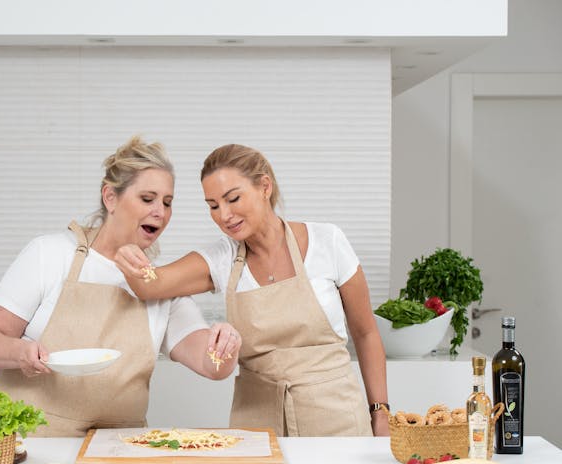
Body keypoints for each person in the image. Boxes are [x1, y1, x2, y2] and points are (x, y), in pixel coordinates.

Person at [0, 136, 242, 437]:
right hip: (31, 442)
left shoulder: (159, 283)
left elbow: (211, 364)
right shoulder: (49, 254)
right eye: (147, 199)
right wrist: (20, 352)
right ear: (110, 197)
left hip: (116, 450)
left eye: (167, 202)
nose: (160, 213)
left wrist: (225, 344)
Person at [114, 144, 389, 437]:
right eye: (213, 205)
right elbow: (150, 283)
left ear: (264, 186)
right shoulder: (223, 258)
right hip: (258, 424)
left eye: (233, 198)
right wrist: (128, 243)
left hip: (337, 418)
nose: (225, 215)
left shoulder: (327, 241)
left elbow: (365, 332)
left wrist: (380, 411)